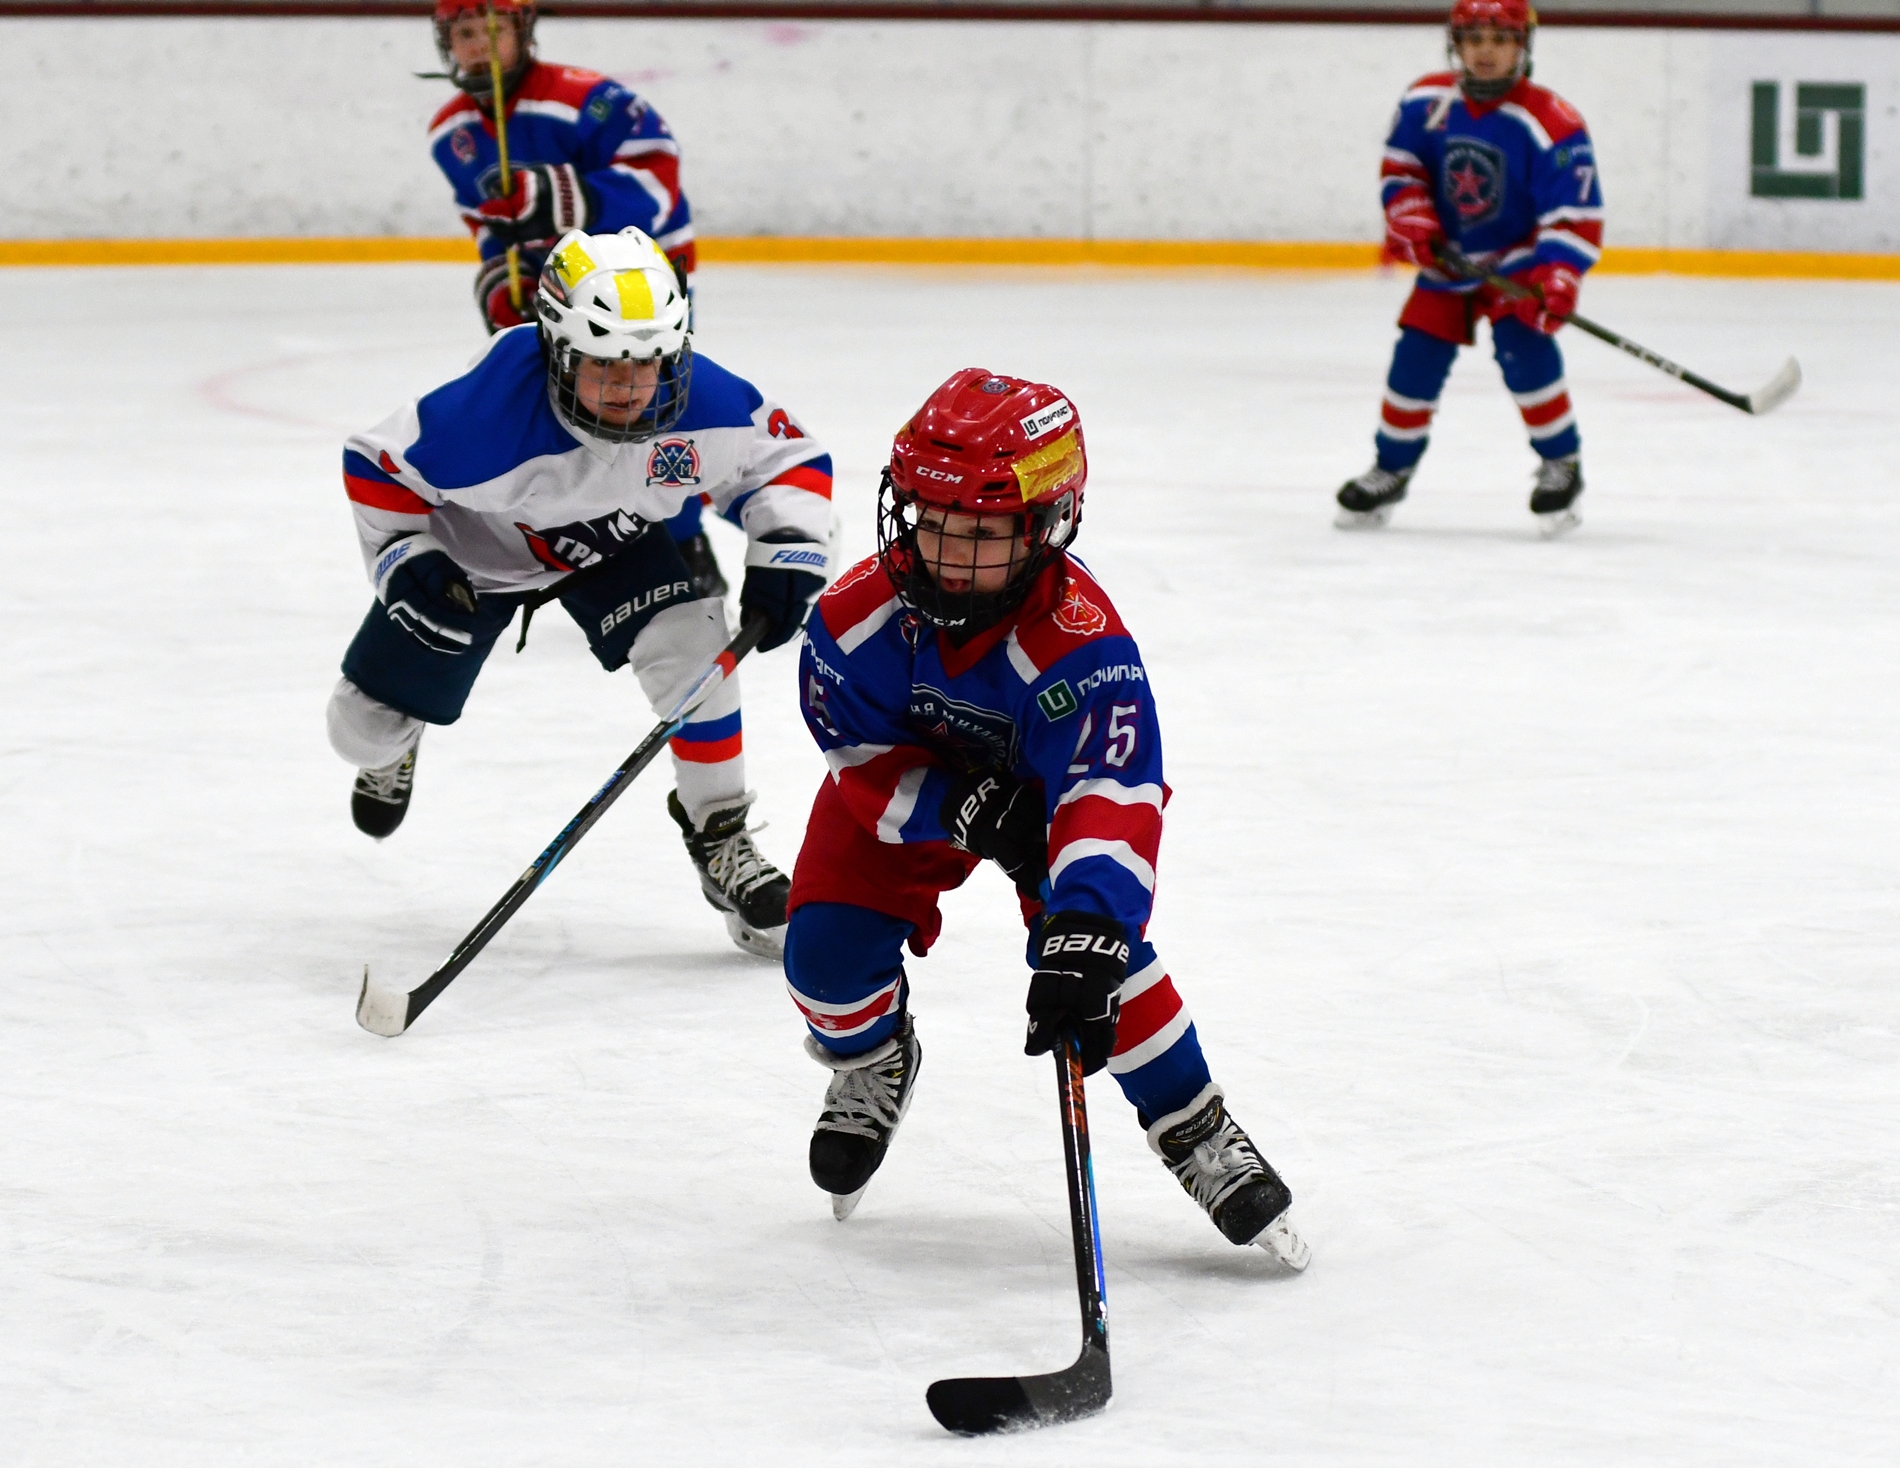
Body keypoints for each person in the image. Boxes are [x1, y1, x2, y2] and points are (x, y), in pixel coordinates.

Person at [779, 369, 1310, 1268]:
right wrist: (962, 807)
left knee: (1105, 971)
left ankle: (1195, 1126)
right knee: (821, 962)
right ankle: (873, 1059)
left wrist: (1091, 924)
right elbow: (857, 755)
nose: (949, 554)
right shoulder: (851, 619)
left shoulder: (1082, 643)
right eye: (933, 523)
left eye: (982, 535)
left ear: (1045, 527)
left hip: (1048, 803)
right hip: (918, 798)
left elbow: (1112, 789)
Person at [326, 228, 832, 959]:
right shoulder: (482, 415)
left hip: (611, 545)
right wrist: (409, 558)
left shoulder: (706, 401)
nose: (629, 386)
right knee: (360, 728)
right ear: (556, 352)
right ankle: (393, 748)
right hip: (477, 563)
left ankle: (721, 840)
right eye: (604, 365)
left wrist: (786, 546)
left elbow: (789, 458)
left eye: (649, 363)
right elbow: (375, 463)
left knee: (696, 651)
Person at [425, 0, 727, 595]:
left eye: (495, 29)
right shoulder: (450, 134)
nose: (480, 45)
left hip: (646, 280)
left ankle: (685, 538)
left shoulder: (587, 99)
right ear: (444, 42)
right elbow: (490, 224)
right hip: (562, 288)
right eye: (464, 32)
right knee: (568, 406)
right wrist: (501, 278)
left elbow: (656, 178)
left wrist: (558, 195)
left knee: (654, 406)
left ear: (524, 31)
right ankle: (591, 538)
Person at [1337, 0, 1603, 537]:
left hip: (1519, 262)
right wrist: (1411, 217)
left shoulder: (1553, 121)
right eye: (1474, 38)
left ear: (1523, 46)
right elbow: (1402, 168)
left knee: (1524, 352)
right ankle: (1391, 468)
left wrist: (1558, 276)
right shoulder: (1425, 102)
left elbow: (1571, 213)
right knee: (1415, 359)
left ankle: (1561, 463)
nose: (1485, 51)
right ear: (1454, 43)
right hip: (1449, 260)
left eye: (1500, 39)